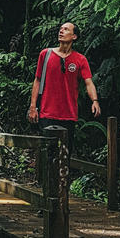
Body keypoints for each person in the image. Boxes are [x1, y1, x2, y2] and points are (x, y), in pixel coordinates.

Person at [27, 21, 100, 159]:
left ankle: (61, 182)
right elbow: (37, 81)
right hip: (47, 113)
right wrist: (33, 106)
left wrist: (94, 101)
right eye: (60, 29)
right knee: (46, 156)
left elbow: (89, 82)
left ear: (74, 36)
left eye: (66, 29)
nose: (61, 31)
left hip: (68, 115)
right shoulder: (45, 54)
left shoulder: (80, 60)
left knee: (64, 157)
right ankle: (44, 181)